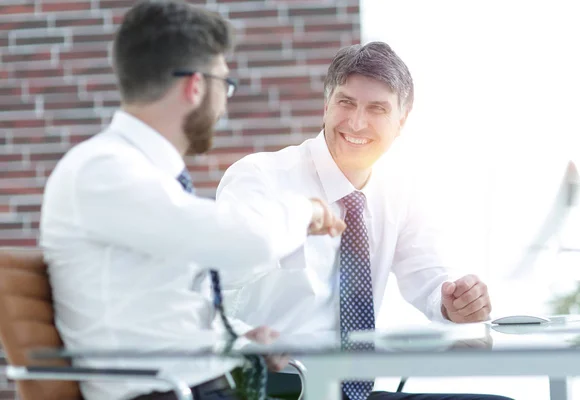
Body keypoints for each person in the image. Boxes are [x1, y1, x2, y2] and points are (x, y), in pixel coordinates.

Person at [39, 1, 345, 400]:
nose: (225, 103)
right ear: (195, 86)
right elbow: (248, 242)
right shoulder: (103, 170)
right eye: (225, 85)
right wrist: (307, 210)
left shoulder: (144, 175)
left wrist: (234, 336)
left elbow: (163, 303)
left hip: (202, 385)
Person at [216, 42, 512, 400]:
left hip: (354, 392)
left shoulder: (401, 191)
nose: (357, 122)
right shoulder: (261, 177)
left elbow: (429, 281)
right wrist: (245, 336)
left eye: (377, 109)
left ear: (401, 122)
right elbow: (215, 287)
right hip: (274, 387)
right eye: (346, 103)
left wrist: (453, 305)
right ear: (326, 106)